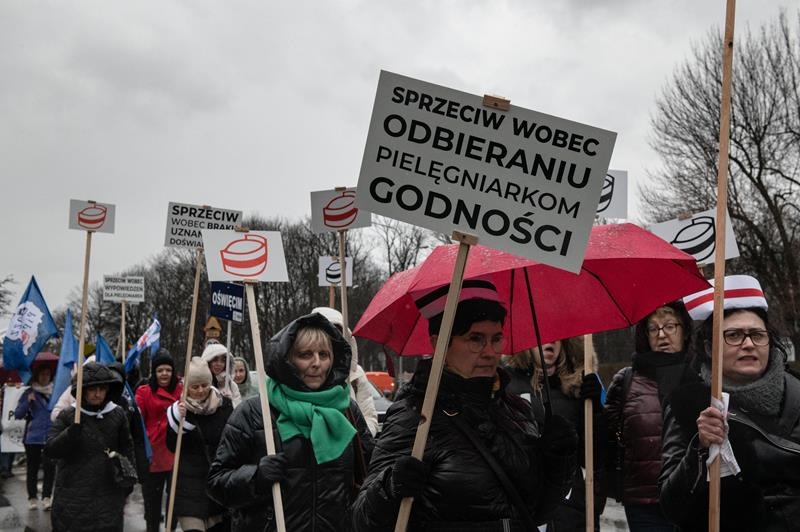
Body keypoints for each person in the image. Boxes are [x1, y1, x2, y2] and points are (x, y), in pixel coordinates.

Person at [352, 280, 578, 531]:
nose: (490, 352)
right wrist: (390, 487)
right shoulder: (416, 415)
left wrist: (559, 463)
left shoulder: (516, 410)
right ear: (439, 343)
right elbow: (363, 520)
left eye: (496, 339)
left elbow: (536, 512)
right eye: (475, 339)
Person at [208, 312, 374, 531]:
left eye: (324, 354)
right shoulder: (254, 413)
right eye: (305, 355)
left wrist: (395, 479)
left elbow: (372, 474)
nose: (317, 363)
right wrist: (255, 477)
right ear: (287, 359)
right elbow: (216, 484)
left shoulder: (347, 411)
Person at [660, 275, 800, 530]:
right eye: (733, 335)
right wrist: (699, 448)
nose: (748, 344)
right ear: (709, 347)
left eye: (757, 334)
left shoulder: (797, 394)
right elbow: (672, 504)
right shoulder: (686, 405)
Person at [604, 300, 695, 532]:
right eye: (653, 328)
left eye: (670, 326)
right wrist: (594, 409)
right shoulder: (626, 381)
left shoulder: (704, 376)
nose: (661, 335)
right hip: (644, 505)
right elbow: (604, 443)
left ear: (685, 331)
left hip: (694, 499)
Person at [504, 338, 608, 530]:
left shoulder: (577, 387)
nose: (550, 341)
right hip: (520, 506)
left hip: (568, 509)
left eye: (555, 337)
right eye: (542, 337)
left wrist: (596, 411)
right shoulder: (506, 384)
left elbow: (593, 456)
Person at [45, 362, 136, 532]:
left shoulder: (117, 414)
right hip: (73, 496)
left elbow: (127, 448)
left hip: (108, 494)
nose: (98, 394)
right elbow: (50, 449)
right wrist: (70, 434)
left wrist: (127, 482)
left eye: (102, 389)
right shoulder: (68, 415)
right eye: (93, 389)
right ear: (82, 390)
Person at [166, 357, 233, 532]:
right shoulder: (178, 410)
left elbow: (232, 440)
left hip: (216, 483)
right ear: (186, 388)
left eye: (204, 385)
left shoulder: (223, 405)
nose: (201, 390)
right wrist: (179, 420)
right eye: (195, 387)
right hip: (187, 486)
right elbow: (171, 445)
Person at [312, 306, 380, 437]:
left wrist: (359, 439)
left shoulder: (356, 375)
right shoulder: (307, 373)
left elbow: (369, 417)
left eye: (336, 335)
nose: (331, 342)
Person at [136, 348, 183, 532]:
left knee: (174, 501)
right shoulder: (144, 392)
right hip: (153, 455)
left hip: (176, 453)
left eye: (168, 370)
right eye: (160, 370)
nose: (164, 374)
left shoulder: (182, 390)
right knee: (152, 504)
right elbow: (137, 421)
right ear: (154, 372)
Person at [14, 362, 56, 510]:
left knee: (50, 468)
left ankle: (46, 497)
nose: (45, 377)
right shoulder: (29, 392)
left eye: (47, 374)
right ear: (37, 376)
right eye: (42, 374)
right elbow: (18, 414)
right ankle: (32, 497)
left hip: (51, 435)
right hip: (33, 437)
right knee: (32, 468)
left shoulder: (55, 392)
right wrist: (27, 402)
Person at [201, 343, 242, 408]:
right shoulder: (199, 384)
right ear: (207, 361)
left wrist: (230, 403)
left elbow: (238, 409)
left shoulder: (231, 385)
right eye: (215, 360)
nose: (219, 364)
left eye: (223, 361)